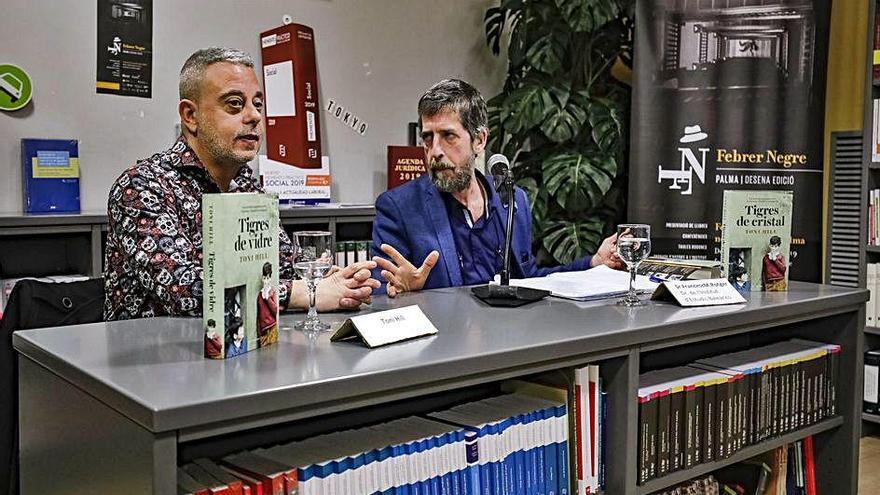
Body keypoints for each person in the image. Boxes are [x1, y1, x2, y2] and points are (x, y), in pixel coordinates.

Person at [104, 47, 379, 320]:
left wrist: (334, 282)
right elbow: (185, 291)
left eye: (257, 104)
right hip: (155, 358)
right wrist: (304, 292)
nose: (254, 116)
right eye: (235, 103)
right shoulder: (142, 186)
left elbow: (281, 267)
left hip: (244, 354)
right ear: (190, 116)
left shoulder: (246, 183)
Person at [371, 78, 623, 297]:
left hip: (509, 339)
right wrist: (405, 292)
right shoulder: (399, 207)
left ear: (479, 140)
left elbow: (529, 280)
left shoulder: (513, 200)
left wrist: (593, 263)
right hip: (444, 342)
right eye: (428, 138)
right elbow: (382, 292)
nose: (435, 151)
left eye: (448, 136)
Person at [257, 262, 279, 347]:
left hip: (271, 325)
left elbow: (275, 310)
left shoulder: (272, 292)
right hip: (263, 328)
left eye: (268, 278)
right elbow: (259, 313)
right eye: (264, 278)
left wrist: (268, 299)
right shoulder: (260, 294)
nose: (266, 281)